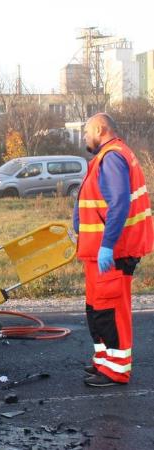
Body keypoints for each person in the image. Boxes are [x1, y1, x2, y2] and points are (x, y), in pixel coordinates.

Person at [74, 113, 153, 387]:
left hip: (112, 253)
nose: (84, 137)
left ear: (100, 129)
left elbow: (119, 204)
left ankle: (117, 369)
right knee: (97, 309)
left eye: (86, 132)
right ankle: (104, 362)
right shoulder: (109, 156)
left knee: (111, 310)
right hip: (99, 252)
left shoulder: (113, 158)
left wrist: (107, 245)